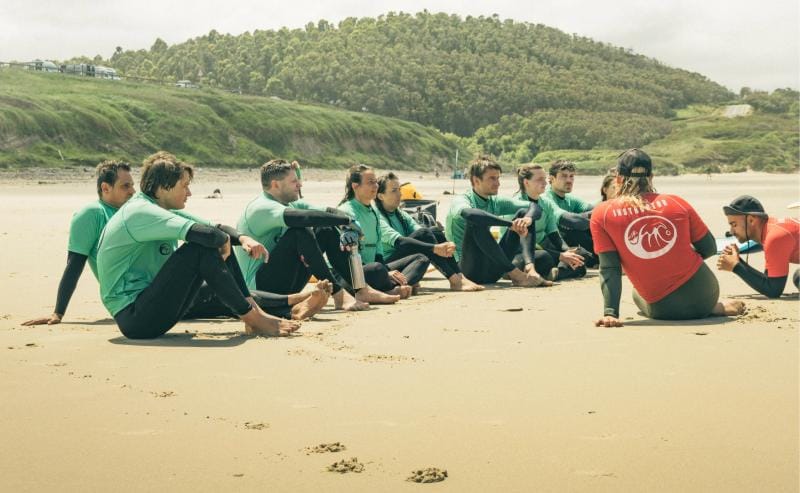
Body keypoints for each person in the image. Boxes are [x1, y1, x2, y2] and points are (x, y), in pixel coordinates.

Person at [97, 154, 301, 339]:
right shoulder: (140, 212)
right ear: (163, 188)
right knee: (201, 248)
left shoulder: (158, 207)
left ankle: (254, 311)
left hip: (150, 308)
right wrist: (223, 240)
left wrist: (243, 239)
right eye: (184, 186)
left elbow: (214, 228)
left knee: (212, 248)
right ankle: (252, 317)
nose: (189, 192)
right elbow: (210, 236)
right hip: (135, 317)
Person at [590, 149, 745, 326]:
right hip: (705, 294)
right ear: (651, 177)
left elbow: (610, 267)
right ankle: (712, 307)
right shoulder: (676, 202)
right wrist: (674, 258)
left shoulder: (602, 214)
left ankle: (712, 308)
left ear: (618, 179)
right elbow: (709, 248)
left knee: (637, 293)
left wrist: (610, 313)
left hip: (664, 310)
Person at [235, 159, 397, 311]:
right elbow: (303, 218)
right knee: (300, 231)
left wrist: (347, 224)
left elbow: (327, 211)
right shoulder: (261, 207)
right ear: (275, 184)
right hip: (259, 291)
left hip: (286, 283)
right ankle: (339, 295)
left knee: (325, 229)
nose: (300, 184)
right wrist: (346, 220)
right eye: (294, 181)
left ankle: (361, 289)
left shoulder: (290, 203)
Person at [23, 161, 135, 326]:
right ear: (105, 188)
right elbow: (75, 264)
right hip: (131, 295)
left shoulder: (130, 211)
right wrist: (58, 312)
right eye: (125, 186)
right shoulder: (92, 214)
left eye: (132, 185)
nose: (133, 191)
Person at [444, 156, 552, 287]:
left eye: (498, 178)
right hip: (467, 272)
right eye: (492, 178)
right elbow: (471, 214)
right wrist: (510, 224)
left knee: (524, 214)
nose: (498, 183)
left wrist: (527, 219)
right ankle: (517, 275)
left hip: (493, 270)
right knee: (476, 221)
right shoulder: (462, 200)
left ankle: (530, 269)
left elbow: (534, 206)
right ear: (476, 180)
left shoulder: (495, 202)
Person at [375, 172, 483, 291]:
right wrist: (435, 248)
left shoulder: (400, 214)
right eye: (394, 191)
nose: (400, 194)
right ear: (380, 196)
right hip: (388, 264)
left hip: (405, 259)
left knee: (434, 231)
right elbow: (400, 242)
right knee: (425, 235)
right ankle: (454, 280)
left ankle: (460, 276)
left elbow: (423, 232)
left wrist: (444, 244)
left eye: (399, 190)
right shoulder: (377, 217)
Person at [338, 165, 430, 297]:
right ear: (355, 186)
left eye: (375, 182)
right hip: (350, 274)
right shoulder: (347, 211)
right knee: (377, 269)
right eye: (370, 182)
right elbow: (349, 256)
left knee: (421, 259)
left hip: (374, 270)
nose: (375, 186)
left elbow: (378, 251)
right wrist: (385, 272)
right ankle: (392, 287)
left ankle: (395, 287)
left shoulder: (373, 212)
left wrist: (387, 271)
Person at [514, 164, 587, 281]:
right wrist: (560, 255)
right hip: (521, 254)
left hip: (544, 249)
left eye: (544, 178)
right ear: (526, 182)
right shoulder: (515, 205)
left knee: (579, 254)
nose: (545, 183)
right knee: (544, 257)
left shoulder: (546, 203)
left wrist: (567, 251)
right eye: (539, 179)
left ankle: (556, 273)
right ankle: (555, 271)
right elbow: (519, 244)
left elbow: (553, 234)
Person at [717, 195, 799, 297]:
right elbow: (768, 279)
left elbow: (773, 290)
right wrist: (737, 261)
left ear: (751, 220)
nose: (731, 232)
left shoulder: (774, 238)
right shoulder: (770, 230)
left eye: (734, 225)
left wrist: (736, 267)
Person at [545, 160, 598, 267]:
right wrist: (592, 217)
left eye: (571, 176)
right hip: (550, 245)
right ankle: (599, 258)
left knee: (594, 223)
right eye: (564, 176)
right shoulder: (545, 197)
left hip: (567, 244)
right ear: (551, 178)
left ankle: (600, 257)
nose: (569, 180)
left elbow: (598, 211)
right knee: (574, 229)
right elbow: (572, 221)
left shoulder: (571, 199)